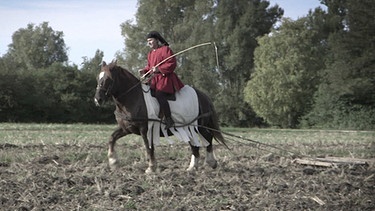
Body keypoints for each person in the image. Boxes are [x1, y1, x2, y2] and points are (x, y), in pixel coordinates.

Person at [139, 31, 184, 129]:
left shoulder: (166, 49)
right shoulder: (150, 53)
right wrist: (144, 70)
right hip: (154, 80)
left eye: (150, 40)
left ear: (156, 40)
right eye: (148, 41)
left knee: (159, 94)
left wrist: (159, 69)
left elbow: (172, 64)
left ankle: (169, 119)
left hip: (165, 79)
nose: (149, 43)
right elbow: (150, 67)